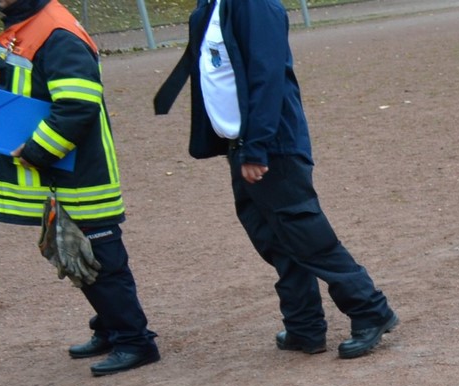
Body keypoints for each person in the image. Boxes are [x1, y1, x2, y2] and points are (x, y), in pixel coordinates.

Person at [153, 0, 397, 359]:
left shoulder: (254, 5)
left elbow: (267, 77)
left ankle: (370, 310)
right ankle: (304, 327)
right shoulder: (212, 6)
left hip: (270, 145)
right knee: (272, 238)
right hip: (242, 143)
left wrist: (257, 148)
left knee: (305, 233)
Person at [0, 0, 159, 376]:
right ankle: (110, 328)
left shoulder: (55, 32)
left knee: (100, 259)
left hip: (80, 173)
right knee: (76, 255)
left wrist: (37, 151)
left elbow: (78, 105)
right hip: (64, 171)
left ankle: (135, 341)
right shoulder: (30, 24)